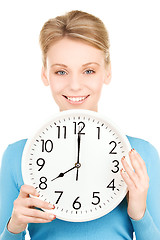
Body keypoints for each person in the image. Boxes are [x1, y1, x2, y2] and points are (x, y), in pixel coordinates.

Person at [0, 10, 160, 240]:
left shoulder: (141, 156)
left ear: (107, 72)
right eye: (61, 71)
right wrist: (14, 226)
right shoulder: (18, 156)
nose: (75, 85)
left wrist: (139, 213)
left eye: (88, 71)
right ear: (45, 74)